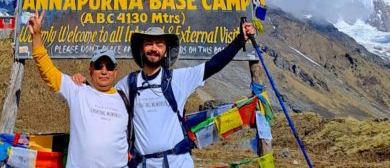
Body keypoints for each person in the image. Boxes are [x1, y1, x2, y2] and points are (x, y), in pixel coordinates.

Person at [73, 21, 256, 167]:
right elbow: (105, 100)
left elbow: (214, 65)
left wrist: (240, 40)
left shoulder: (179, 79)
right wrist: (86, 85)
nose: (154, 48)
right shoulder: (128, 83)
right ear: (142, 49)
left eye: (159, 44)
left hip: (178, 163)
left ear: (165, 50)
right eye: (149, 43)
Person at [28, 10, 129, 168]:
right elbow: (47, 69)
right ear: (90, 70)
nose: (104, 71)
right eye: (98, 66)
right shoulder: (77, 90)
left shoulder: (126, 98)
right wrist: (36, 35)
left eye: (109, 67)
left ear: (115, 72)